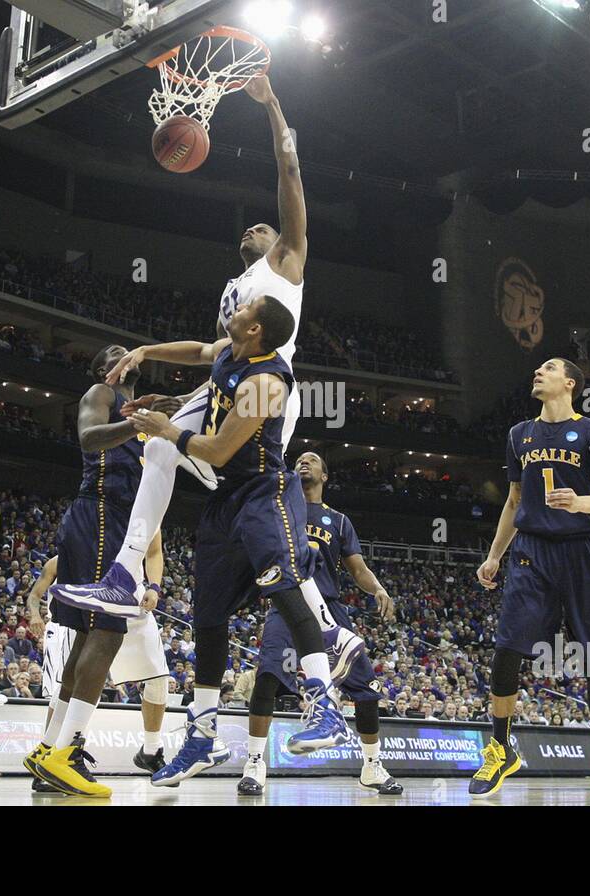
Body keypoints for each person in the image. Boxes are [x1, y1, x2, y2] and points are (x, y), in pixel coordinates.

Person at [58, 74, 363, 680]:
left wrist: (273, 106)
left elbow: (291, 178)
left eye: (265, 227)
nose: (255, 228)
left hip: (267, 394)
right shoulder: (236, 292)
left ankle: (322, 622)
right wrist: (149, 353)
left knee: (255, 495)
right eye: (250, 228)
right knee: (165, 452)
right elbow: (210, 350)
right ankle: (123, 575)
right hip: (230, 386)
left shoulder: (286, 265)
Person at [124, 296, 352, 787]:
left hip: (264, 494)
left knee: (285, 591)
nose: (238, 304)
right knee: (206, 616)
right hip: (226, 501)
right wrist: (146, 353)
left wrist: (167, 429)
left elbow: (221, 450)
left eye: (248, 307)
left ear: (256, 330)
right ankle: (203, 736)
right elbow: (200, 352)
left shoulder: (266, 383)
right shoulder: (233, 349)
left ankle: (325, 705)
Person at [471, 358, 590, 801]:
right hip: (531, 550)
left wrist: (580, 503)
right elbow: (512, 501)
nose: (537, 372)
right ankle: (500, 748)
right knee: (508, 645)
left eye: (547, 368)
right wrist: (493, 556)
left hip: (581, 551)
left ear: (570, 383)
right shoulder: (518, 434)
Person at [25, 346, 175, 798]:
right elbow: (89, 438)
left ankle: (48, 748)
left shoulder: (138, 406)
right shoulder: (99, 392)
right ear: (102, 368)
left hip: (114, 521)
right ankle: (63, 754)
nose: (124, 353)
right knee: (106, 634)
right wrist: (138, 422)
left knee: (90, 641)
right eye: (112, 353)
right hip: (101, 515)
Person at [238, 452, 402, 796]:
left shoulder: (339, 521)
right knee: (267, 679)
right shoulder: (280, 511)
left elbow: (358, 569)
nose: (304, 463)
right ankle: (254, 761)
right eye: (299, 460)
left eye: (313, 460)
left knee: (367, 691)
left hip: (330, 609)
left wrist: (378, 588)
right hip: (286, 606)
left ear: (325, 476)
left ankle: (372, 766)